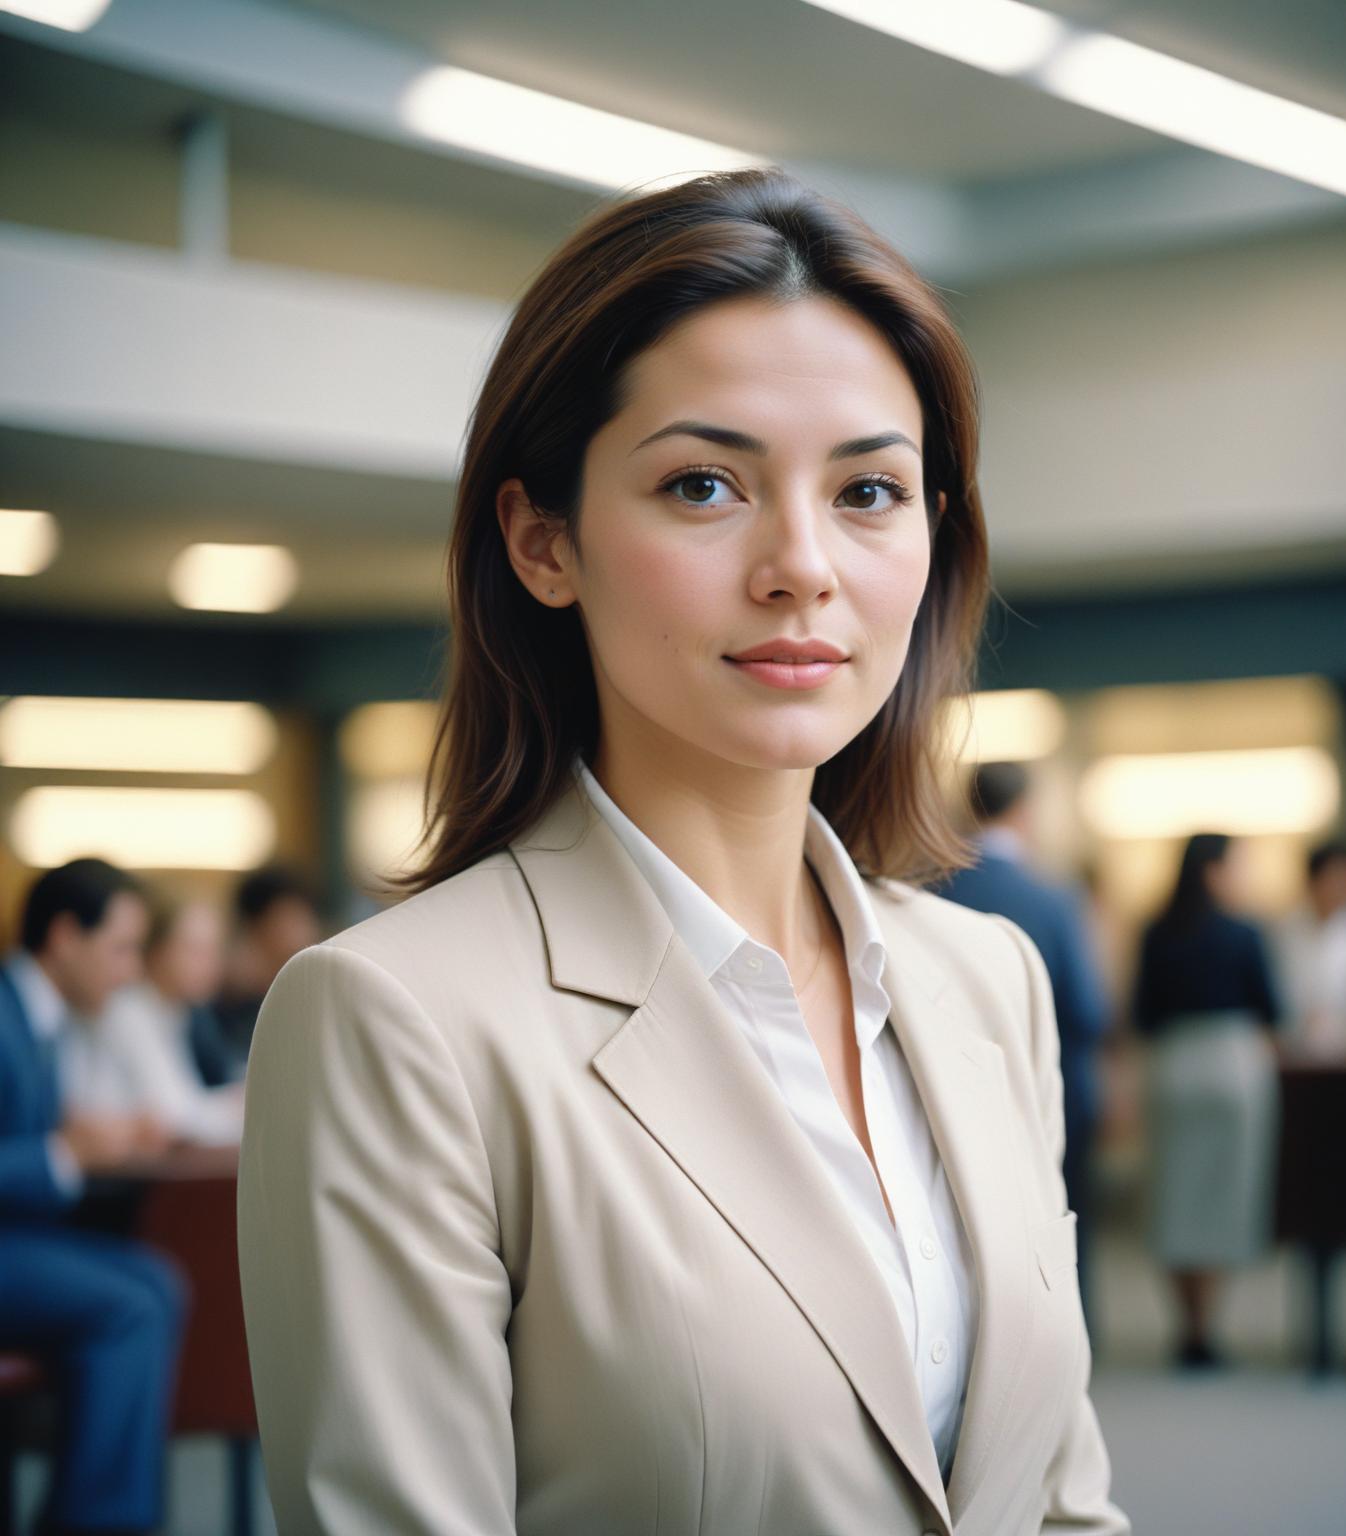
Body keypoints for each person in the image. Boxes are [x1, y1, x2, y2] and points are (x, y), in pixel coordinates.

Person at [238, 168, 1126, 1536]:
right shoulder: (399, 1020)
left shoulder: (986, 977)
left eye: (871, 491)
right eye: (705, 484)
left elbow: (1060, 1500)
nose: (802, 566)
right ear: (544, 541)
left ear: (934, 538)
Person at [0, 858, 186, 1536]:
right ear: (62, 937)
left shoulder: (33, 1014)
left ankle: (100, 1511)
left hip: (17, 1238)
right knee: (134, 1302)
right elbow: (35, 1148)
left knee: (158, 1282)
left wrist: (79, 1138)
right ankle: (101, 1522)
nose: (131, 971)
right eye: (119, 949)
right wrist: (63, 1154)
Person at [932, 761, 1110, 1334]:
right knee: (1060, 1211)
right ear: (1025, 810)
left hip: (948, 1088)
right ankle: (1067, 1330)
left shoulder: (929, 889)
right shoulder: (1054, 898)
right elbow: (1088, 1009)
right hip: (1046, 1088)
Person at [1131, 833, 1281, 1370]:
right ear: (1214, 871)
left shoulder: (1155, 931)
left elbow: (1142, 1012)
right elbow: (1271, 1008)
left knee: (1174, 1196)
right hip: (1232, 1063)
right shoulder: (1245, 933)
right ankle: (1207, 1325)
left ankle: (1185, 1324)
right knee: (1223, 1195)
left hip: (1172, 1065)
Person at [65, 897, 244, 1146]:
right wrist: (244, 1105)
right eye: (195, 950)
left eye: (215, 950)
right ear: (158, 950)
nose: (211, 964)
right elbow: (175, 1118)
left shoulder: (175, 1013)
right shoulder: (130, 1011)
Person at [1270, 840, 1346, 1053]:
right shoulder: (1282, 932)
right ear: (1313, 880)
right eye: (1333, 878)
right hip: (1293, 1043)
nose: (1341, 887)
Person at [211, 863, 322, 1069]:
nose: (306, 930)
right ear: (257, 925)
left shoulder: (311, 993)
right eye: (292, 919)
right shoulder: (222, 999)